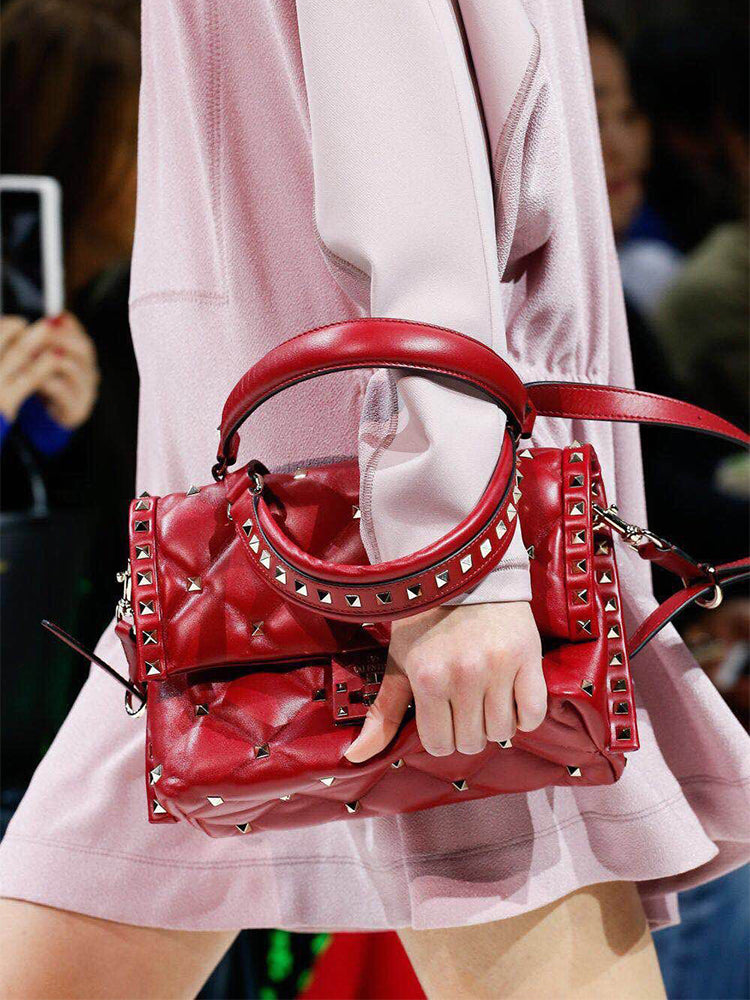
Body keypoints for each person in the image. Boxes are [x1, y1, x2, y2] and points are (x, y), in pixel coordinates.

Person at [0, 3, 748, 999]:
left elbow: (415, 177)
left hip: (349, 527)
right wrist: (454, 546)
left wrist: (452, 552)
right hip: (282, 547)